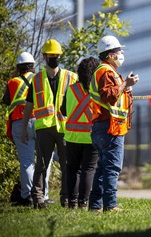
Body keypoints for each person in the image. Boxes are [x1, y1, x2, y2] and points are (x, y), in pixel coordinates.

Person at [21, 39, 78, 209]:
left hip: (64, 127)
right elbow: (29, 105)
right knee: (42, 165)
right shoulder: (37, 79)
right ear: (44, 56)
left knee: (67, 165)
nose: (54, 57)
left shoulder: (71, 77)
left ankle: (66, 199)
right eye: (51, 55)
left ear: (60, 56)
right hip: (44, 128)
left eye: (57, 55)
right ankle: (38, 199)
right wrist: (24, 128)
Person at [88, 35, 139, 212]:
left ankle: (95, 206)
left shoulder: (107, 71)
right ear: (110, 55)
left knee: (102, 168)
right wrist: (126, 83)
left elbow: (114, 96)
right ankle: (110, 205)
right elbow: (109, 96)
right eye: (118, 51)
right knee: (112, 168)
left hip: (104, 126)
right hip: (109, 127)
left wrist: (127, 86)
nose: (121, 53)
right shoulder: (105, 71)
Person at [2, 52, 54, 206]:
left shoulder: (12, 82)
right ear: (33, 66)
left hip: (20, 123)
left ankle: (28, 196)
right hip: (40, 121)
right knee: (45, 160)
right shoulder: (41, 78)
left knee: (27, 162)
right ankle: (42, 196)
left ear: (18, 68)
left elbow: (6, 101)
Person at [61, 57, 100, 209]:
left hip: (72, 136)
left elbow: (63, 111)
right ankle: (83, 202)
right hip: (91, 136)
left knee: (72, 169)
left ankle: (72, 202)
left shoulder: (70, 89)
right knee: (88, 170)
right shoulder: (97, 90)